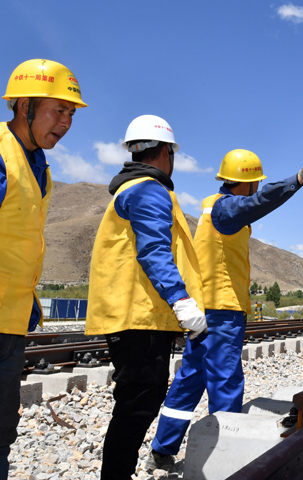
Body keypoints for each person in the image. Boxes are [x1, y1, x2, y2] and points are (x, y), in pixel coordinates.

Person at [146, 146, 303, 469]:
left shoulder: (211, 206)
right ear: (245, 183)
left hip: (203, 306)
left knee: (191, 377)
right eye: (255, 183)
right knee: (225, 380)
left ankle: (161, 450)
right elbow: (260, 203)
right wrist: (300, 178)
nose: (258, 188)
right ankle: (226, 457)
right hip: (222, 310)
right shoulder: (227, 210)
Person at [85, 115, 207, 480]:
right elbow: (154, 250)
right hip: (139, 315)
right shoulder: (149, 189)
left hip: (136, 314)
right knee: (137, 405)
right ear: (166, 152)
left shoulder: (131, 189)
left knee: (139, 400)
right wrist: (183, 302)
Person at [0, 59, 86, 480]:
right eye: (59, 110)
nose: (67, 122)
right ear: (25, 107)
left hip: (10, 323)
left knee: (1, 433)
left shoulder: (40, 168)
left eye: (71, 113)